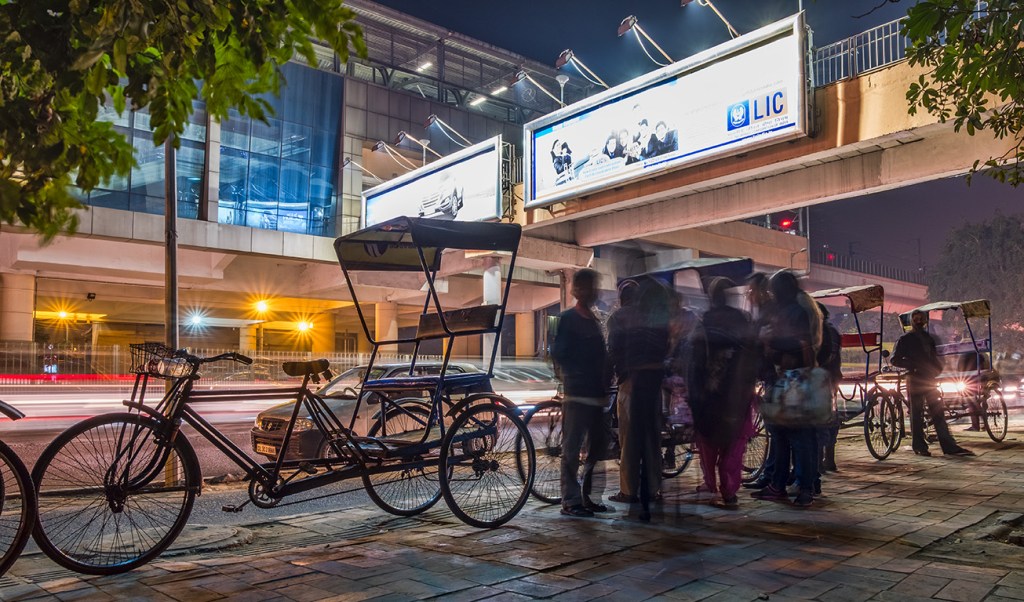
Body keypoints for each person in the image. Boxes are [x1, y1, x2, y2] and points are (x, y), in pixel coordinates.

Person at [687, 278, 758, 510]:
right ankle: (729, 491)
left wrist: (694, 393)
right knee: (734, 446)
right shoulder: (742, 322)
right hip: (737, 395)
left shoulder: (704, 323)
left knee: (708, 445)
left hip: (710, 396)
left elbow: (695, 364)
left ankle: (712, 484)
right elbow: (752, 359)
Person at [752, 270, 819, 507]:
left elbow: (800, 343)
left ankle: (803, 487)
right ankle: (781, 485)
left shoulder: (794, 312)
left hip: (791, 379)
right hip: (787, 378)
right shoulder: (790, 310)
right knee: (781, 436)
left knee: (795, 437)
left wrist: (769, 341)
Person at [550, 268, 614, 517]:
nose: (592, 292)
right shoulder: (568, 319)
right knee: (572, 449)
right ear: (577, 290)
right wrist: (575, 375)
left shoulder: (594, 320)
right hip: (577, 394)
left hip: (596, 395)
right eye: (587, 287)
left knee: (597, 448)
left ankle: (590, 497)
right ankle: (571, 500)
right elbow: (560, 352)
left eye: (594, 287)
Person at [607, 276, 672, 521]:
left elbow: (614, 349)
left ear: (622, 299)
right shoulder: (655, 319)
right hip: (653, 384)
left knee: (629, 438)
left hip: (631, 383)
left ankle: (628, 490)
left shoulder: (619, 318)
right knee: (652, 436)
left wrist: (622, 376)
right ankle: (653, 488)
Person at [891, 310, 974, 457]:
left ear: (925, 321)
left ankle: (948, 447)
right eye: (916, 319)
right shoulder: (905, 339)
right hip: (915, 379)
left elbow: (935, 358)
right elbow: (894, 359)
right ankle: (919, 447)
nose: (918, 321)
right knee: (916, 414)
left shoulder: (929, 338)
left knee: (937, 413)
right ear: (911, 321)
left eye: (920, 319)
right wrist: (913, 366)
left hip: (929, 379)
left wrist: (936, 370)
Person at [743, 272, 779, 491]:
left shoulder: (770, 312)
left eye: (751, 290)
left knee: (775, 429)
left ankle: (772, 475)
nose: (749, 295)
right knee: (774, 429)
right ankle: (770, 473)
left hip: (774, 374)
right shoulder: (761, 312)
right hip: (766, 374)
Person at [816, 303, 843, 479]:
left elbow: (828, 355)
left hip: (826, 378)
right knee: (827, 417)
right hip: (827, 377)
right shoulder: (828, 330)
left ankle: (824, 460)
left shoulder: (827, 331)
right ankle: (826, 460)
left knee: (823, 420)